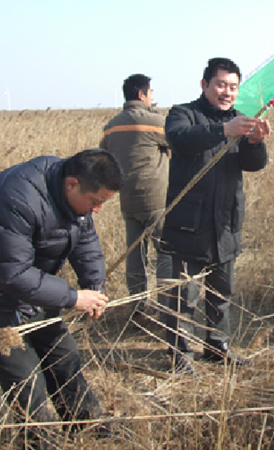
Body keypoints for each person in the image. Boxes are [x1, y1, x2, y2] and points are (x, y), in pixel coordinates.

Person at [0, 149, 123, 448]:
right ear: (72, 184)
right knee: (24, 376)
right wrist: (72, 298)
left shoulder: (77, 202)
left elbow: (86, 244)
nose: (98, 210)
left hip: (34, 284)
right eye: (96, 202)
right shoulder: (17, 199)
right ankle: (37, 441)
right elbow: (13, 276)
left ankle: (86, 424)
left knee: (63, 353)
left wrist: (93, 286)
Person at [161, 57, 270, 374]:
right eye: (221, 84)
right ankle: (179, 354)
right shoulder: (183, 114)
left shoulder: (241, 118)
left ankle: (217, 346)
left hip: (226, 222)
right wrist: (224, 130)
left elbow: (253, 165)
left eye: (233, 87)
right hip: (189, 222)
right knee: (184, 295)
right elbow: (180, 140)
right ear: (204, 84)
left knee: (221, 292)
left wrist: (254, 142)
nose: (227, 92)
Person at [100, 74, 172, 315]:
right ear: (142, 95)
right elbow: (178, 143)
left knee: (135, 256)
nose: (153, 97)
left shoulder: (111, 126)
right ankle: (167, 310)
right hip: (156, 198)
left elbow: (105, 155)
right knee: (165, 253)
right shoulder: (155, 122)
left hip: (127, 200)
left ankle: (138, 309)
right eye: (151, 92)